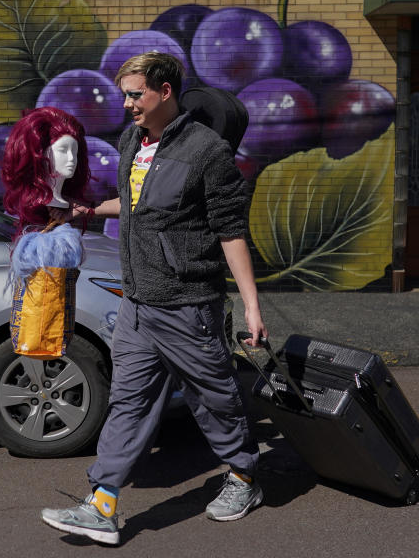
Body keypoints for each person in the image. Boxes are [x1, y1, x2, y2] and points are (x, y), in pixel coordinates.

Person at [41, 52, 268, 545]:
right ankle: (102, 505)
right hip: (138, 303)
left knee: (214, 398)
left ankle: (245, 476)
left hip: (189, 303)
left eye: (135, 93)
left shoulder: (206, 151)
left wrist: (251, 304)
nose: (127, 104)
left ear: (165, 92)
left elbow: (230, 231)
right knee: (128, 400)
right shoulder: (131, 141)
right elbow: (135, 200)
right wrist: (89, 208)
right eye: (124, 93)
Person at [0, 106, 90, 232]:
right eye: (63, 150)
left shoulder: (70, 202)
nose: (71, 158)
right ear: (40, 153)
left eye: (74, 151)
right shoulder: (35, 202)